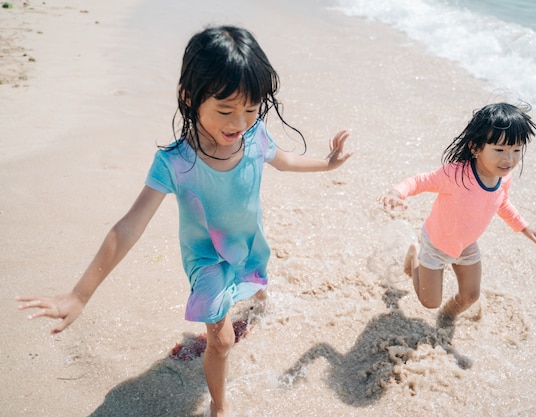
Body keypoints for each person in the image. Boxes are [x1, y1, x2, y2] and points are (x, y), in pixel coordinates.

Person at [16, 25, 352, 417]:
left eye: (250, 108)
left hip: (248, 243)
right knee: (222, 342)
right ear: (189, 97)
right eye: (225, 110)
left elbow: (286, 161)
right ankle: (219, 405)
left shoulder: (255, 136)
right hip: (207, 260)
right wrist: (80, 294)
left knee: (257, 283)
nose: (238, 123)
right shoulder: (175, 162)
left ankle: (256, 303)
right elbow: (129, 226)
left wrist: (327, 164)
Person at [377, 102, 536, 326]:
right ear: (476, 148)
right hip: (436, 245)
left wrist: (524, 227)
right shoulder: (456, 175)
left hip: (466, 246)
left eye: (516, 150)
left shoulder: (503, 178)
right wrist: (396, 192)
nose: (509, 159)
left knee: (470, 296)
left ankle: (445, 320)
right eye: (499, 150)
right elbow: (420, 181)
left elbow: (501, 203)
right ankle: (414, 253)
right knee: (429, 302)